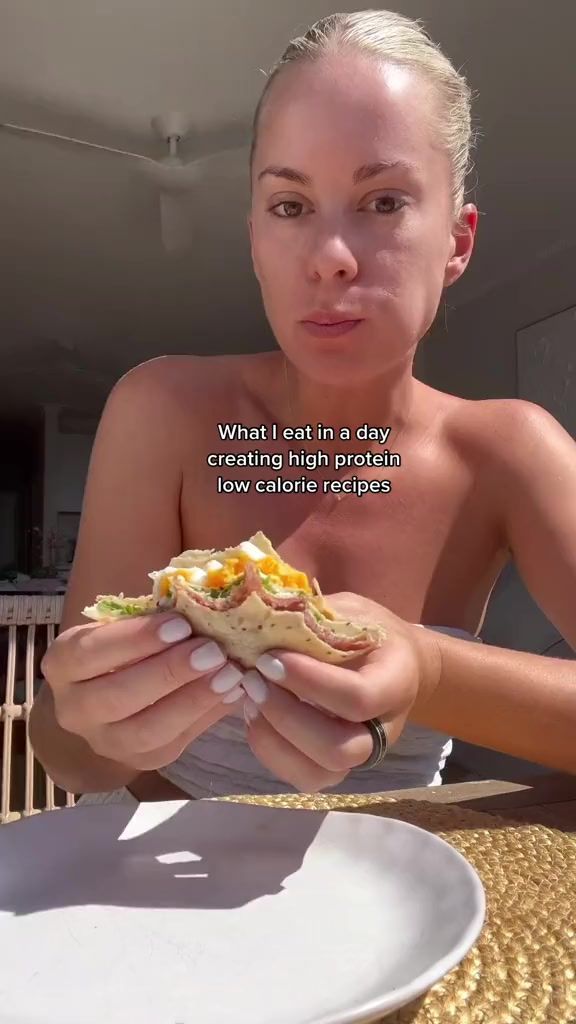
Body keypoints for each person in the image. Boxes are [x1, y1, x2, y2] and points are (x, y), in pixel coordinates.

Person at [30, 10, 576, 805]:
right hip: (167, 910)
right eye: (290, 207)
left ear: (457, 243)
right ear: (254, 236)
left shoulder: (509, 452)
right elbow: (67, 755)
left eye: (383, 202)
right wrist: (90, 723)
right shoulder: (163, 414)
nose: (329, 259)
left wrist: (429, 670)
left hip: (414, 904)